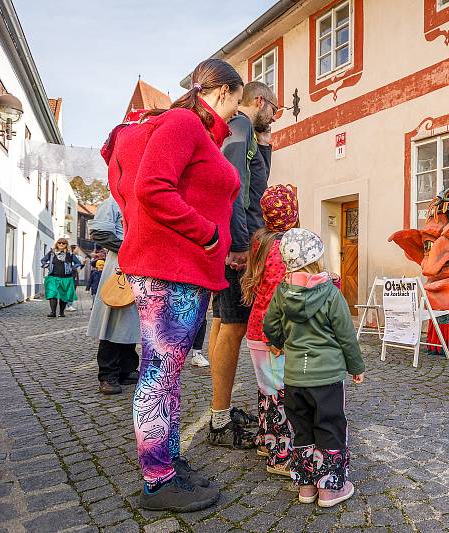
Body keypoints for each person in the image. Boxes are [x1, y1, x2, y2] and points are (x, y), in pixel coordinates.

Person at [106, 58, 243, 512]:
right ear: (222, 92)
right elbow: (151, 188)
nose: (237, 113)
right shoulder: (183, 122)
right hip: (171, 269)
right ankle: (157, 480)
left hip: (183, 269)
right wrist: (207, 234)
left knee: (166, 374)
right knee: (159, 374)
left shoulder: (194, 131)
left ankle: (168, 460)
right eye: (237, 101)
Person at [263, 229, 365, 508]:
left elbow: (269, 325)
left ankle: (306, 486)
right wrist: (356, 366)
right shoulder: (330, 294)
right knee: (330, 426)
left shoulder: (282, 293)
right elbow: (345, 334)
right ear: (318, 259)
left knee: (302, 427)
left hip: (295, 377)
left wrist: (278, 342)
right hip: (327, 377)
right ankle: (331, 488)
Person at [207, 81, 278, 449]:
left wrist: (266, 145)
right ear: (260, 102)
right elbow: (234, 187)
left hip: (232, 236)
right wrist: (237, 246)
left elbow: (258, 185)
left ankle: (222, 408)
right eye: (274, 111)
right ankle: (219, 420)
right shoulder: (241, 126)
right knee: (233, 326)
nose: (274, 118)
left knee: (222, 321)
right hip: (238, 241)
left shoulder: (247, 132)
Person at [241, 185, 299, 477]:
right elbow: (285, 293)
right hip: (277, 333)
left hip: (256, 330)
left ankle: (266, 440)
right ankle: (280, 456)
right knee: (282, 393)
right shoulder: (288, 247)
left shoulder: (259, 241)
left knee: (267, 390)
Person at [86, 196, 141, 396]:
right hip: (119, 267)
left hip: (140, 268)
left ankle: (126, 369)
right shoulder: (114, 202)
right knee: (113, 322)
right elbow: (100, 232)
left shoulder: (140, 199)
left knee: (131, 323)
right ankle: (108, 373)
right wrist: (129, 249)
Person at [40, 238, 82, 317]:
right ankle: (53, 312)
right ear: (57, 244)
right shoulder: (52, 253)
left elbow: (78, 263)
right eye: (59, 243)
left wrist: (72, 267)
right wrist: (47, 265)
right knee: (52, 294)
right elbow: (43, 260)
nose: (61, 245)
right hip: (53, 277)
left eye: (63, 243)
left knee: (64, 295)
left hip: (66, 278)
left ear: (66, 245)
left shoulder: (70, 254)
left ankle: (61, 312)